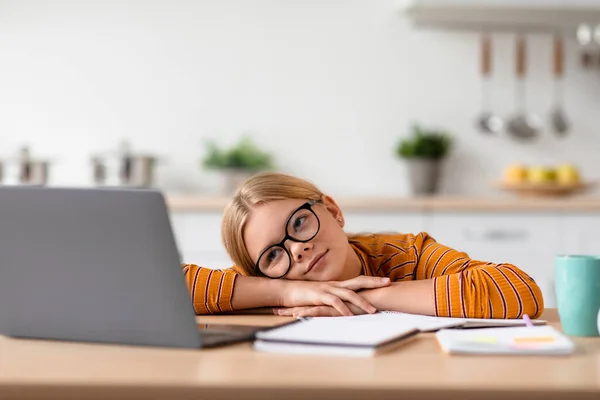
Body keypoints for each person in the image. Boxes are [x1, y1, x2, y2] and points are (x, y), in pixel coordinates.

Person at [182, 172, 543, 319]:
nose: (296, 250)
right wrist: (283, 293)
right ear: (260, 272)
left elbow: (519, 289)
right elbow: (161, 286)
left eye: (299, 223)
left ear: (334, 210)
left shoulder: (409, 254)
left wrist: (356, 298)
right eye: (273, 254)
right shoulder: (270, 286)